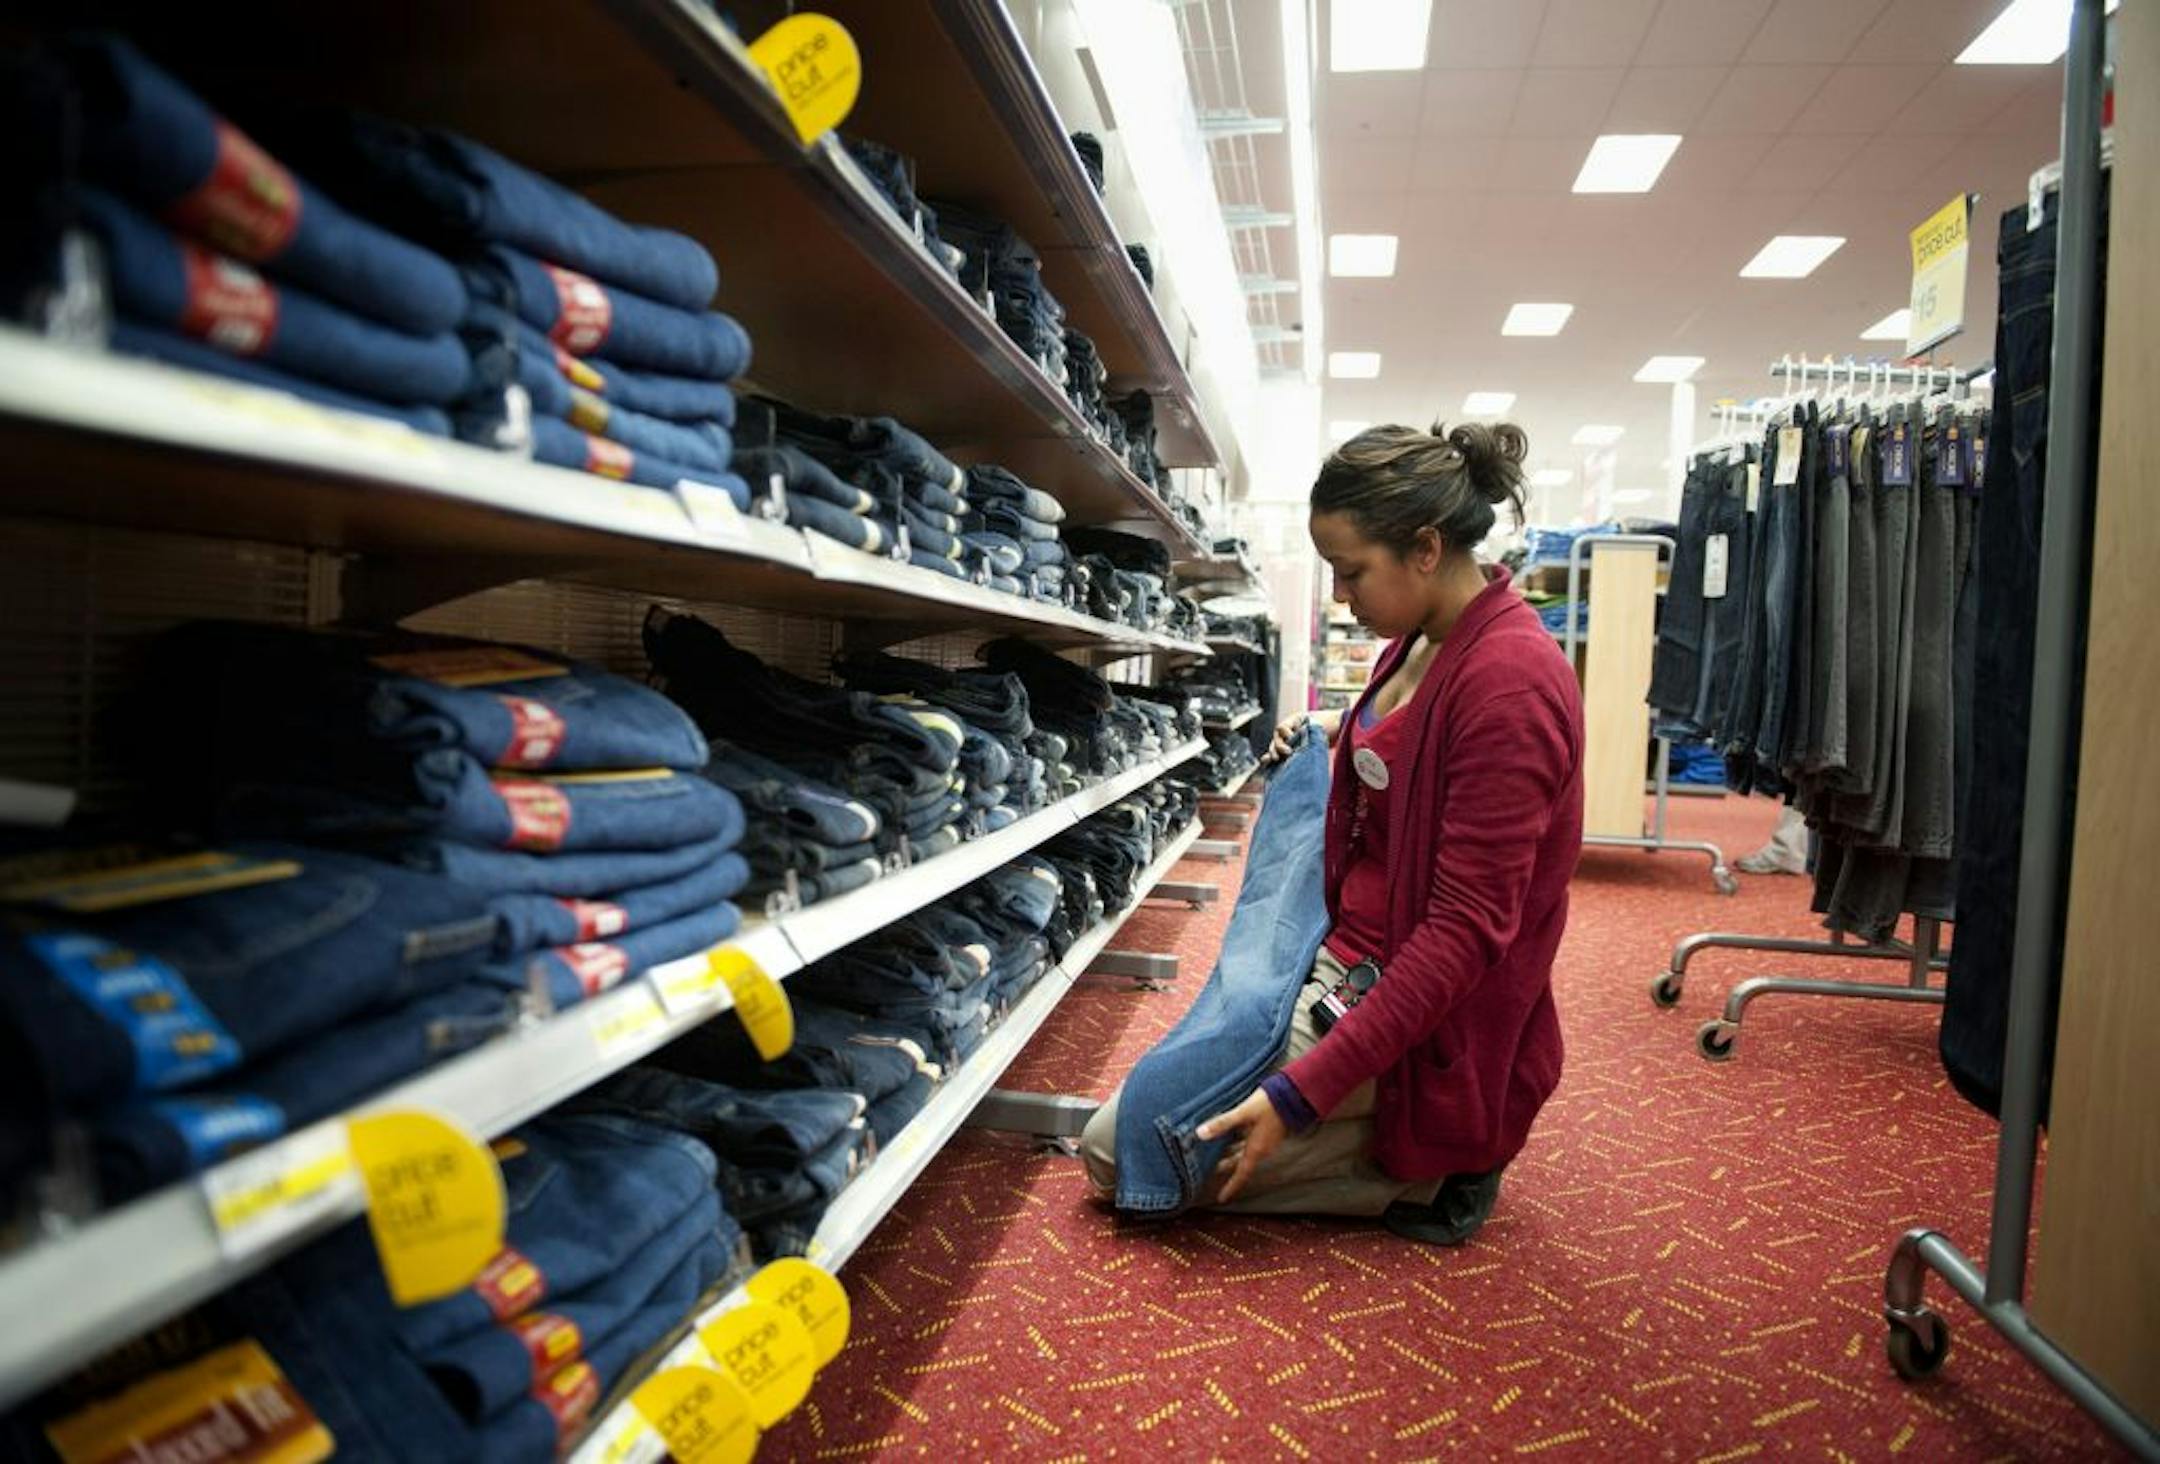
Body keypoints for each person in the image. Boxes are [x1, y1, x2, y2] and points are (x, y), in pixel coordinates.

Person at [1080, 422, 1584, 1244]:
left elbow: (1461, 934)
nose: (1342, 597)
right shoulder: (1422, 636)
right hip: (1332, 953)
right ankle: (1372, 1145)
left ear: (1424, 548)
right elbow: (1406, 754)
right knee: (1144, 1119)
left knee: (1119, 1155)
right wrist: (1332, 736)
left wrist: (1296, 1096)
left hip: (1418, 1010)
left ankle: (1430, 1170)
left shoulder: (1511, 689)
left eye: (1351, 573)